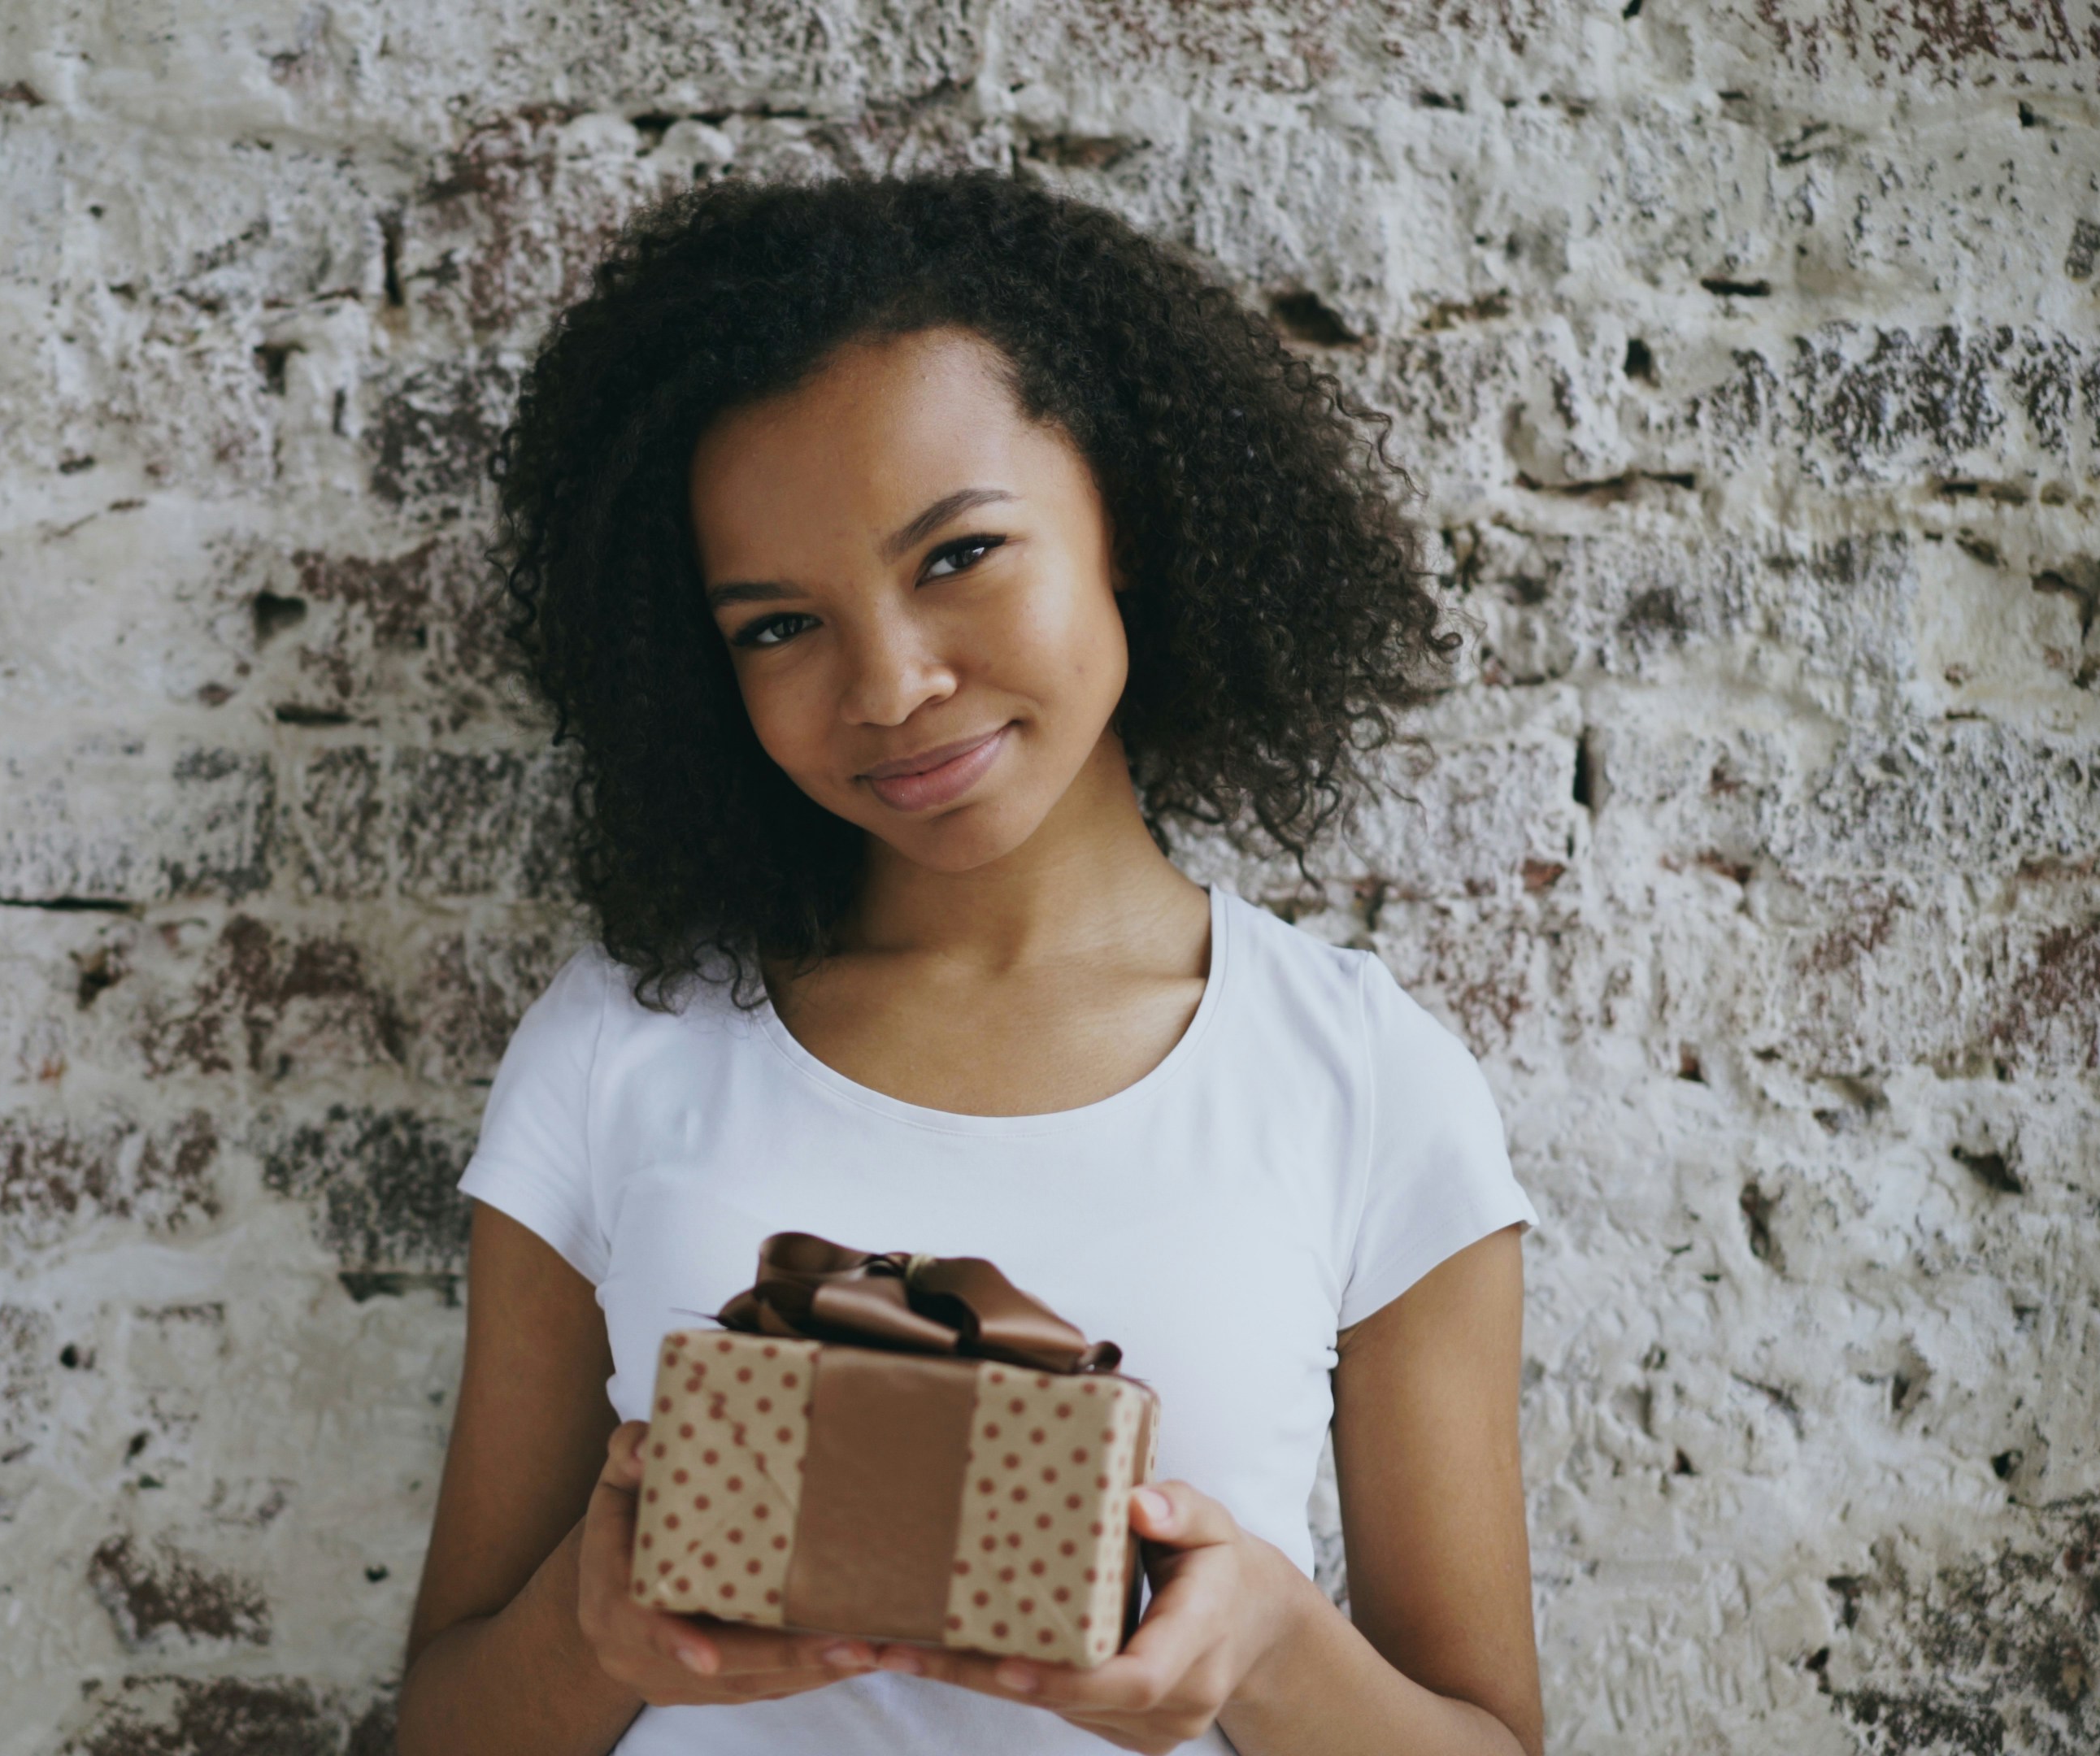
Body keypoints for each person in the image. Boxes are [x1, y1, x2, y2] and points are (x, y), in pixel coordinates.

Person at [395, 172, 1542, 1756]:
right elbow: (444, 1727)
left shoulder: (1359, 1078)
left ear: (1124, 518)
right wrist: (595, 1633)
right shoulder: (617, 1050)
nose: (891, 684)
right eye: (779, 627)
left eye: (957, 557)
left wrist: (1268, 1642)